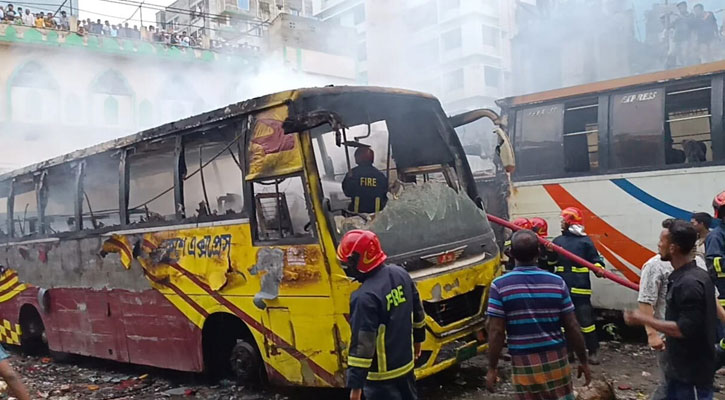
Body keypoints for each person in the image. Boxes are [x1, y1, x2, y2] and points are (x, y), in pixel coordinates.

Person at [486, 229, 592, 399]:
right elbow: (572, 326)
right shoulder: (557, 282)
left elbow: (496, 331)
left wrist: (492, 367)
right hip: (556, 359)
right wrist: (584, 361)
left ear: (511, 254)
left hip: (523, 361)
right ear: (538, 252)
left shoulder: (500, 286)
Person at [626, 219, 716, 400]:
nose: (658, 245)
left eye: (662, 241)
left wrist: (644, 320)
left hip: (691, 372)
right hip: (679, 365)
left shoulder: (689, 283)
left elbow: (684, 329)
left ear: (673, 248)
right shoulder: (689, 275)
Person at [338, 230, 425, 400]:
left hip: (381, 378)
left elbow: (362, 346)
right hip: (406, 366)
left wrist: (355, 387)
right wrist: (418, 342)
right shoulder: (400, 274)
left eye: (346, 263)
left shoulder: (364, 297)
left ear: (358, 262)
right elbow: (418, 312)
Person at [551, 207, 605, 365]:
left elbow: (596, 260)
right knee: (564, 323)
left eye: (563, 220)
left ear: (569, 222)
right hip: (562, 289)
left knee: (586, 322)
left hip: (580, 289)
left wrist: (599, 269)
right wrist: (548, 253)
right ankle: (568, 352)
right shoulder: (557, 242)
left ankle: (593, 351)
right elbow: (551, 263)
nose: (561, 223)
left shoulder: (585, 241)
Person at [342, 147, 388, 214]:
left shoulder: (352, 174)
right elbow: (385, 194)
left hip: (357, 214)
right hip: (377, 215)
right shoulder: (380, 176)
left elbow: (347, 192)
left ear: (358, 158)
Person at [667, 1, 694, 68]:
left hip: (686, 38)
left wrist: (680, 17)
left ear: (685, 7)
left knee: (684, 54)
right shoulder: (677, 17)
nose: (680, 9)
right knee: (671, 53)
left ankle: (685, 67)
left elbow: (691, 23)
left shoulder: (690, 15)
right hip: (676, 38)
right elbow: (669, 26)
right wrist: (668, 17)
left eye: (681, 7)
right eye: (679, 8)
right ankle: (671, 67)